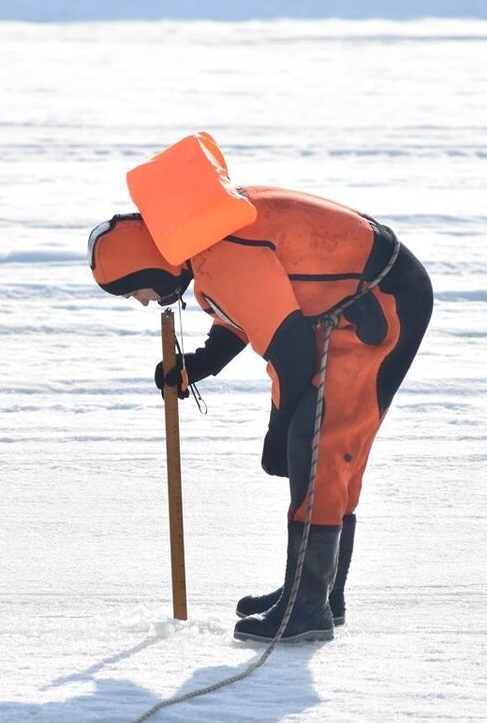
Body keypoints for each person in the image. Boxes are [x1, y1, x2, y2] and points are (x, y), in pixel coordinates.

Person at [88, 185, 433, 643]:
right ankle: (318, 594)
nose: (144, 301)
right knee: (319, 444)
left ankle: (308, 606)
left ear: (149, 266)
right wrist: (202, 363)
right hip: (360, 299)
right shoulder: (208, 240)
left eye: (134, 290)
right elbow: (253, 304)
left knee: (318, 443)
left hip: (379, 305)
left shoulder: (221, 255)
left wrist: (279, 430)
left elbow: (292, 354)